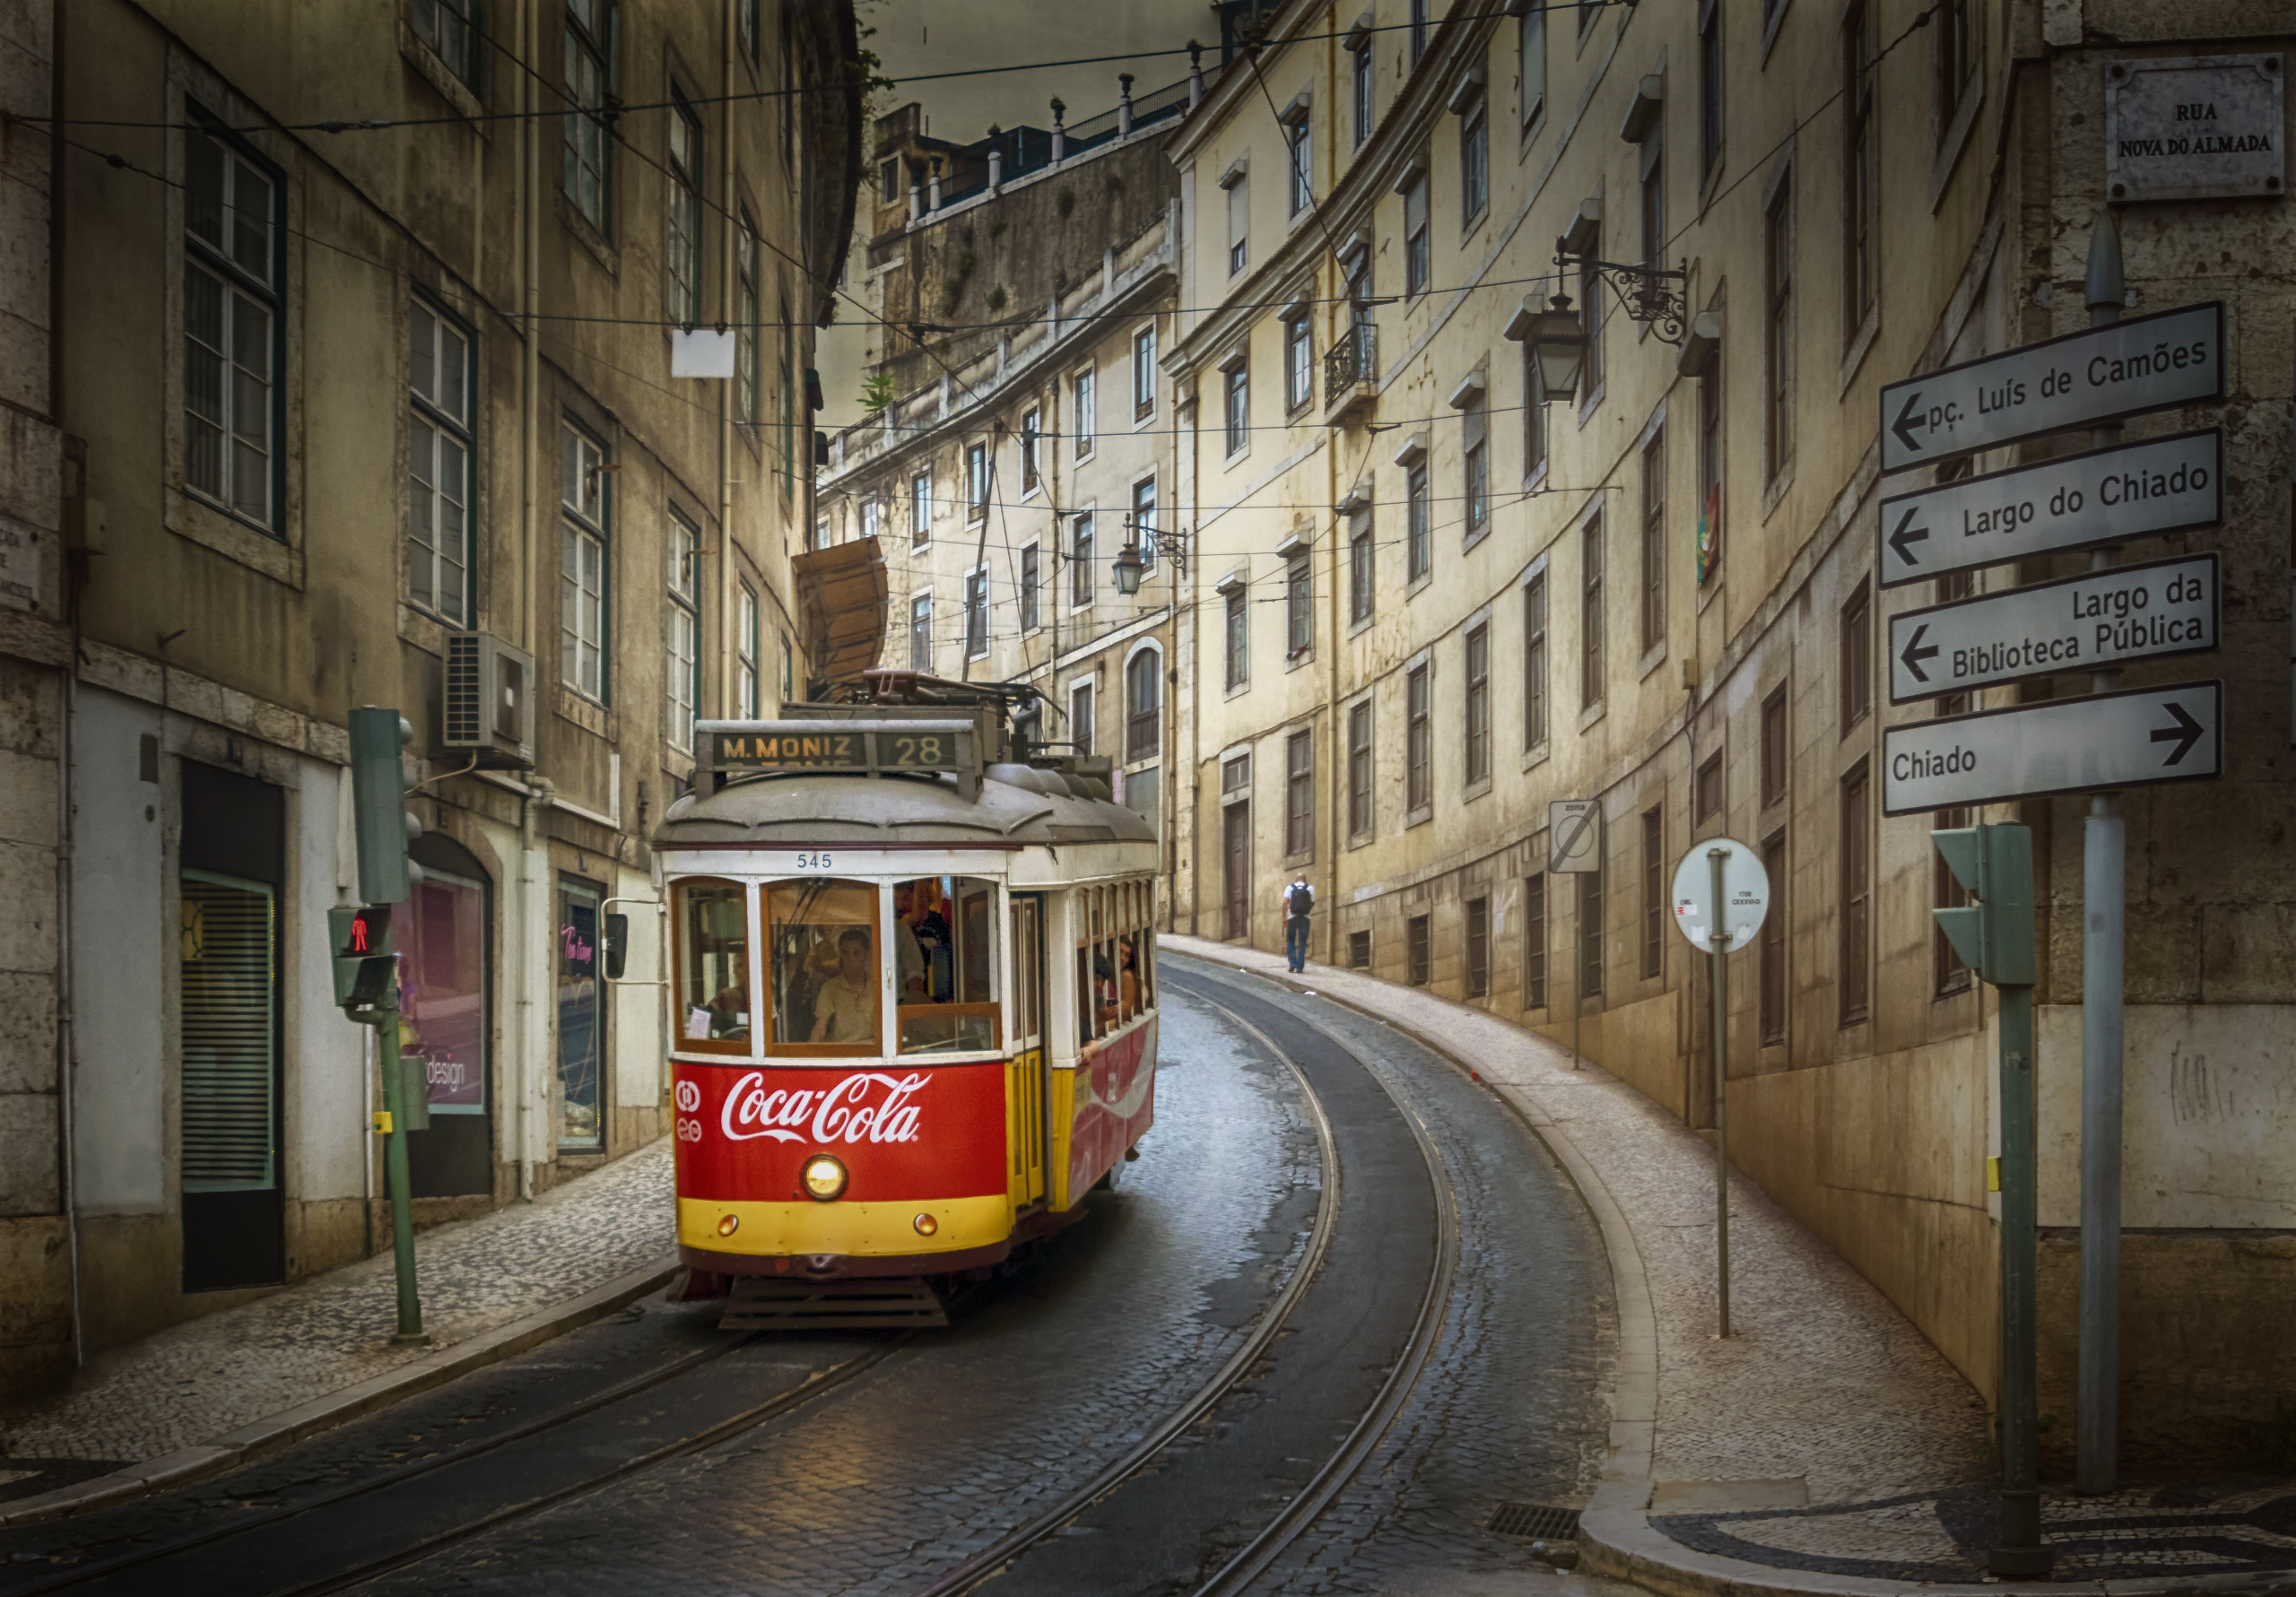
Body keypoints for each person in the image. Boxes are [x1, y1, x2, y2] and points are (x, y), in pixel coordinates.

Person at [809, 927, 879, 1045]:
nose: (851, 958)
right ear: (840, 954)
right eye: (845, 953)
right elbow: (820, 1028)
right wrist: (809, 1058)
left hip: (872, 1055)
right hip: (841, 1053)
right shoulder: (830, 988)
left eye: (856, 953)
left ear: (866, 956)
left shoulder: (879, 988)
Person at [1280, 873, 1315, 972]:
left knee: (1290, 940)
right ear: (1305, 879)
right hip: (1305, 918)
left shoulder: (1290, 887)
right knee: (1302, 942)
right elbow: (1313, 903)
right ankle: (1300, 967)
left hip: (1292, 917)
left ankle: (1292, 963)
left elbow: (1284, 902)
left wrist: (1284, 918)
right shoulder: (1310, 888)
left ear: (1296, 879)